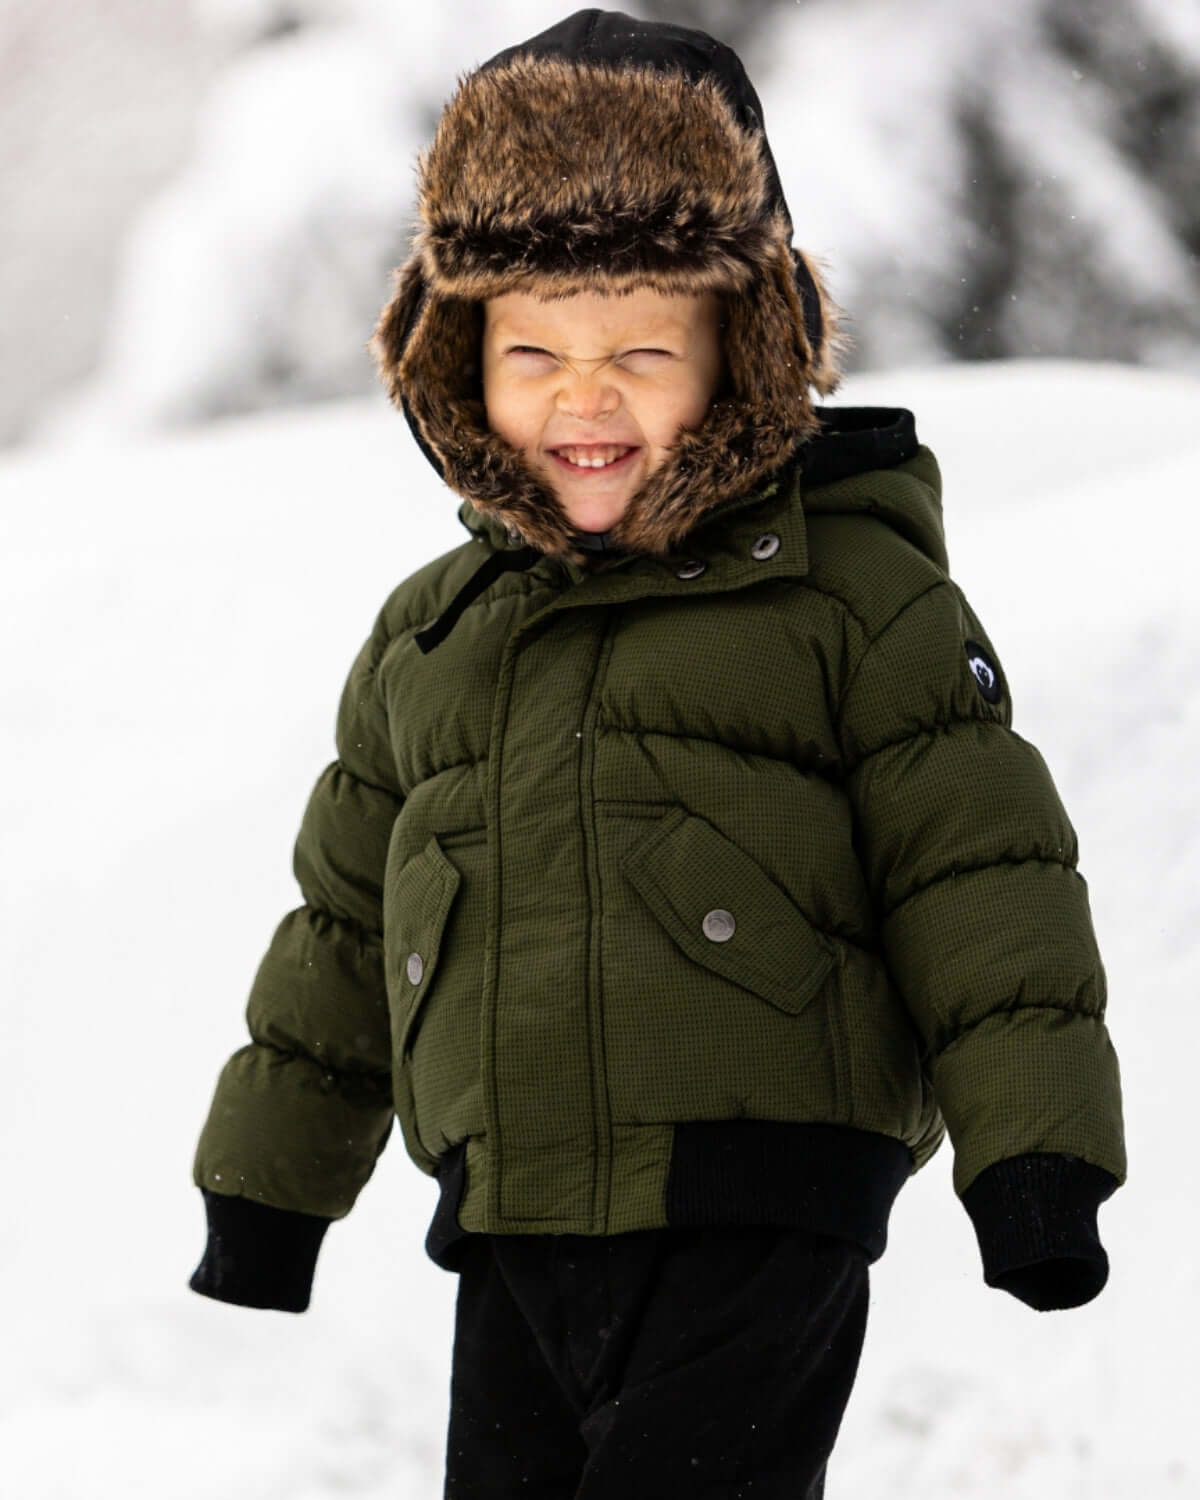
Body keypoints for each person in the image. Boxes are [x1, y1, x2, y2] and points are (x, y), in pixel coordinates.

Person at [187, 10, 1127, 1497]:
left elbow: (980, 871)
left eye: (641, 348)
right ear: (456, 364)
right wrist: (268, 1188)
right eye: (533, 352)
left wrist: (1036, 1163)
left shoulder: (851, 592)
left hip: (766, 1196)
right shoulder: (437, 633)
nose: (586, 396)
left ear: (742, 351)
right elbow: (346, 920)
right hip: (510, 1211)